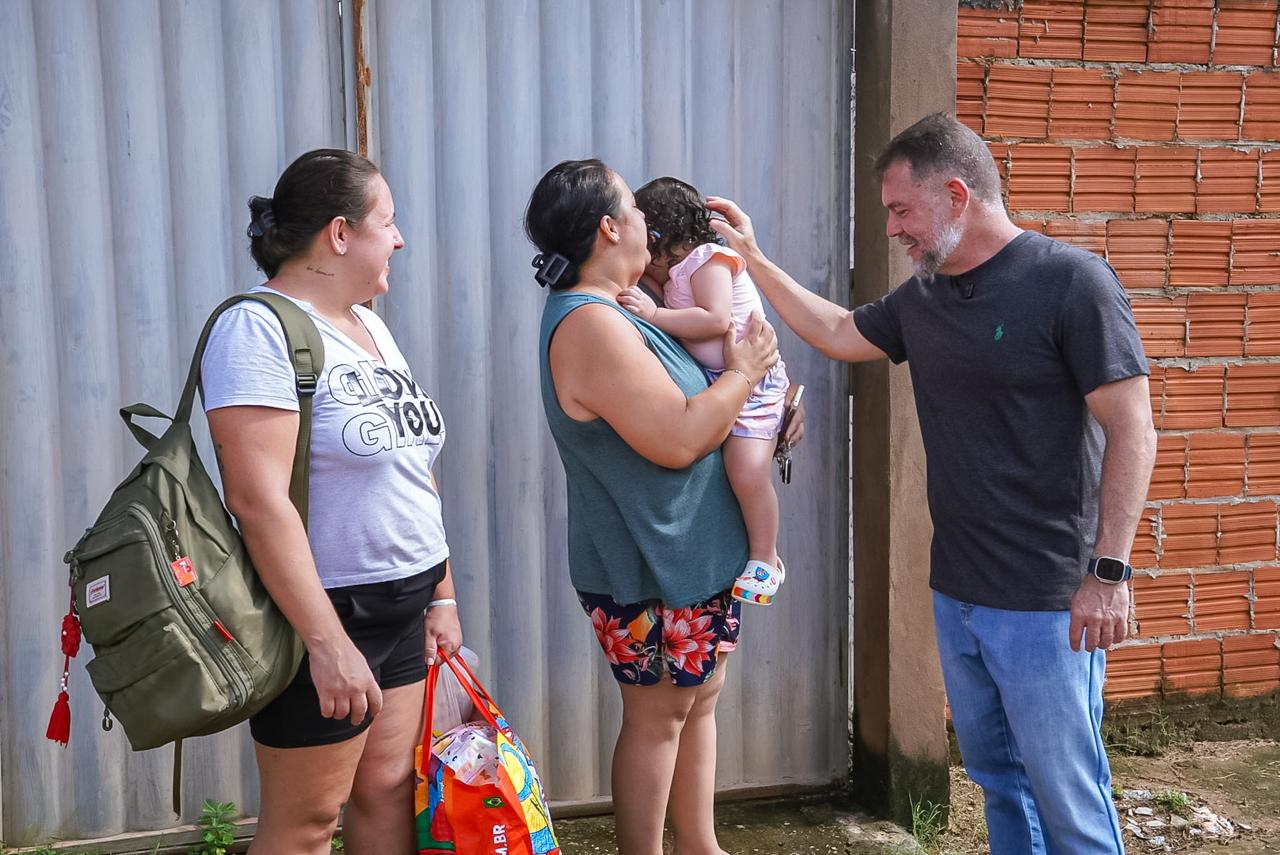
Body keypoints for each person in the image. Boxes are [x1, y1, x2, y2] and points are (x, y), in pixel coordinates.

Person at [707, 113, 1156, 854]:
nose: (893, 229)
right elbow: (840, 331)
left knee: (1067, 794)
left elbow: (1134, 428)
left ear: (955, 195)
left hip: (1047, 598)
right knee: (1000, 782)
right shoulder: (926, 297)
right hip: (960, 592)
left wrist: (1109, 571)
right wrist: (752, 259)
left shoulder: (1069, 282)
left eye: (900, 209)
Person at [525, 158, 800, 855]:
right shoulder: (590, 323)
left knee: (696, 702)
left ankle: (698, 845)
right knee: (658, 716)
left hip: (693, 558)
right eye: (635, 210)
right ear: (610, 226)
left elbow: (708, 396)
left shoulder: (624, 310)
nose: (650, 221)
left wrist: (767, 410)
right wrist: (744, 376)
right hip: (648, 565)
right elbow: (679, 437)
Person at [201, 149, 463, 855]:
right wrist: (325, 642)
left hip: (402, 604)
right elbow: (257, 501)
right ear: (341, 233)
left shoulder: (369, 325)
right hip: (324, 616)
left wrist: (441, 595)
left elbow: (412, 463)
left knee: (384, 795)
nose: (400, 238)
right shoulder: (257, 329)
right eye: (389, 221)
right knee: (308, 824)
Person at [618, 176, 791, 606]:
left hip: (756, 384)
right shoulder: (672, 274)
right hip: (725, 380)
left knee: (748, 471)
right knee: (727, 471)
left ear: (660, 236)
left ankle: (766, 558)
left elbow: (715, 320)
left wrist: (655, 314)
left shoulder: (708, 260)